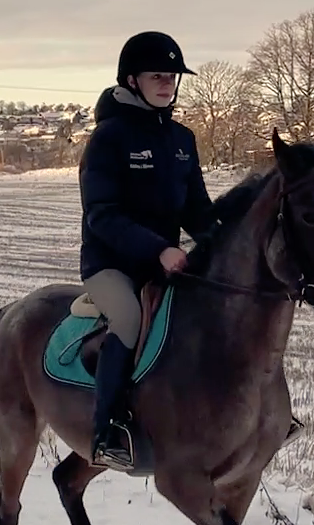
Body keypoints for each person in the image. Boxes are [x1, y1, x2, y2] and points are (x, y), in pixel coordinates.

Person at [78, 31, 217, 470]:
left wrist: (228, 240)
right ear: (132, 80)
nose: (168, 84)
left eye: (173, 76)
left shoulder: (182, 139)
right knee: (129, 318)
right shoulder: (107, 139)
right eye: (158, 76)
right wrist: (159, 249)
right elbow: (101, 214)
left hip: (167, 263)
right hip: (111, 265)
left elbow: (197, 208)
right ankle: (109, 431)